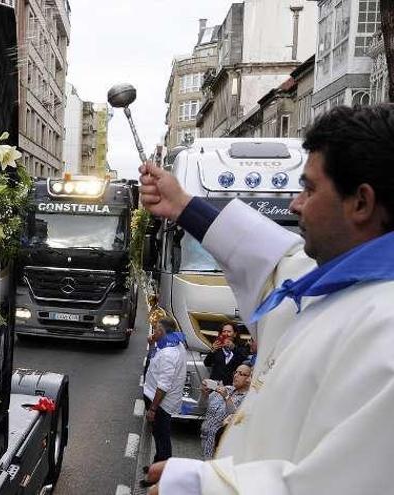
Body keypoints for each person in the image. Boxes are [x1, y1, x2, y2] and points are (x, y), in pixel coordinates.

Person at [140, 104, 394, 494]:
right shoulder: (343, 281)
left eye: (309, 189)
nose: (294, 204)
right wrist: (183, 207)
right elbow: (271, 256)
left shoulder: (384, 335)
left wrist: (200, 486)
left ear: (361, 203)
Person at [143, 317, 188, 463]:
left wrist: (153, 409)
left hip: (162, 405)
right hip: (161, 402)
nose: (154, 331)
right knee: (159, 435)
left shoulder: (169, 353)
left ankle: (160, 475)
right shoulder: (174, 345)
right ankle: (157, 464)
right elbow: (155, 362)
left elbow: (163, 385)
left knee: (162, 439)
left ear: (161, 331)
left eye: (155, 328)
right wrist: (152, 345)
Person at [200, 364, 251, 459]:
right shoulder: (226, 388)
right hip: (205, 439)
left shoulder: (248, 398)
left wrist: (226, 397)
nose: (236, 375)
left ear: (249, 379)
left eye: (241, 374)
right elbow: (202, 406)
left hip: (220, 445)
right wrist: (204, 394)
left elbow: (235, 416)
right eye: (235, 372)